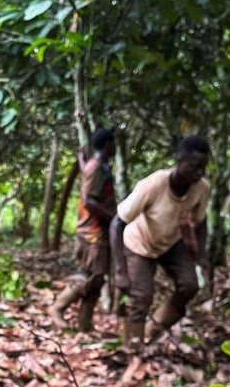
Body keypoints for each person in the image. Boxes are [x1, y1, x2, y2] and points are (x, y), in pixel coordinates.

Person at [110, 135, 211, 353]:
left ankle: (153, 328)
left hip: (170, 243)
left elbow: (201, 223)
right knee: (142, 296)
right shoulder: (154, 184)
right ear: (179, 160)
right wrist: (120, 271)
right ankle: (132, 349)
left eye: (203, 168)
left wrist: (201, 256)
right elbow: (117, 224)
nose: (199, 173)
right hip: (139, 243)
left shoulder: (201, 188)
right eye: (194, 167)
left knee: (190, 285)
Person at [49, 127, 117, 333]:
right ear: (107, 144)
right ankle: (57, 308)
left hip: (100, 232)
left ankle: (85, 325)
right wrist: (113, 218)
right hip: (92, 232)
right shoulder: (95, 168)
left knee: (98, 279)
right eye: (113, 143)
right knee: (91, 276)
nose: (115, 147)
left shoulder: (99, 167)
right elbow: (88, 201)